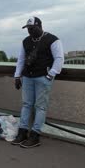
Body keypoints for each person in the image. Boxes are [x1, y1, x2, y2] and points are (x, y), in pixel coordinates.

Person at [11, 17, 64, 148]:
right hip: (28, 77)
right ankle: (22, 132)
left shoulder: (53, 39)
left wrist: (50, 75)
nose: (29, 31)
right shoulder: (26, 41)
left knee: (40, 107)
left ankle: (35, 135)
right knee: (26, 104)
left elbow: (59, 58)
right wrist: (17, 76)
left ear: (40, 26)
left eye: (32, 28)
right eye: (28, 29)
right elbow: (21, 60)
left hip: (43, 77)